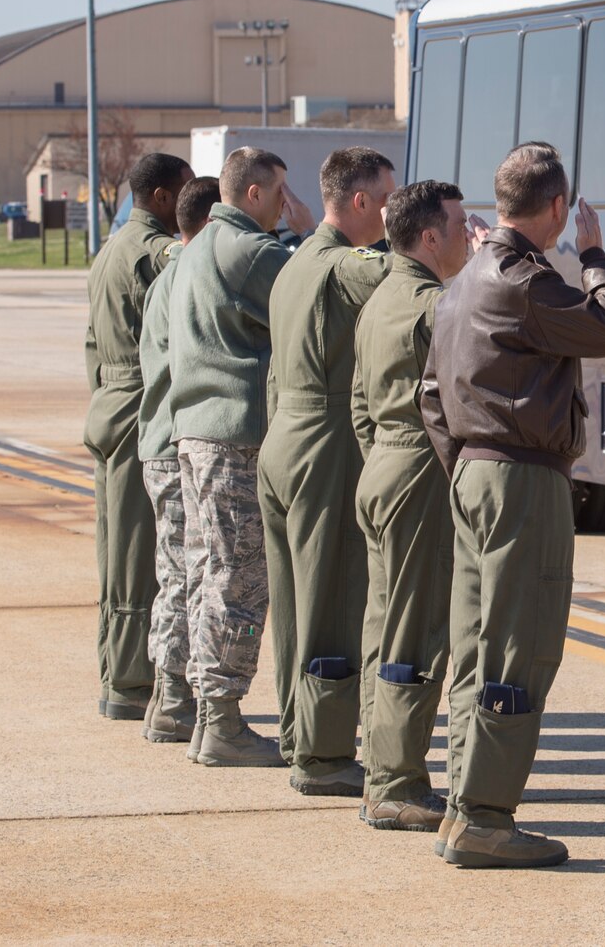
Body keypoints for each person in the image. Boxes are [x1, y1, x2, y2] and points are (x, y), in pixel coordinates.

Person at [420, 142, 605, 869]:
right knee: (521, 644)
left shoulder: (460, 281)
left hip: (475, 475)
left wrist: (465, 465)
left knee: (478, 642)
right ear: (555, 208)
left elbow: (429, 395)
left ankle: (462, 806)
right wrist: (597, 256)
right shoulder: (524, 279)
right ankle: (485, 815)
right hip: (522, 478)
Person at [166, 147, 316, 766]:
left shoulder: (199, 245)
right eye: (280, 191)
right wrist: (308, 233)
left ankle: (205, 713)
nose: (286, 202)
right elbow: (314, 295)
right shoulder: (250, 250)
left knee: (207, 571)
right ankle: (221, 720)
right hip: (236, 435)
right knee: (239, 578)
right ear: (252, 195)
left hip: (197, 430)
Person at [257, 146, 398, 797]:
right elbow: (404, 278)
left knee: (292, 604)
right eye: (389, 200)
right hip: (324, 443)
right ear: (362, 202)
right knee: (332, 600)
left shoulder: (294, 261)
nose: (394, 211)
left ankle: (298, 731)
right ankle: (323, 753)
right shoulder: (345, 266)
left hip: (282, 437)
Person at [354, 180, 481, 831]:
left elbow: (358, 402)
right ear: (428, 235)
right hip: (419, 476)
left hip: (382, 466)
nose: (469, 233)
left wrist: (385, 455)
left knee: (384, 625)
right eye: (461, 224)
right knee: (416, 633)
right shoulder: (434, 304)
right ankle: (396, 781)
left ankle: (378, 761)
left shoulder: (380, 298)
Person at [82, 151, 192, 719]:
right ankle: (128, 681)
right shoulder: (155, 253)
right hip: (134, 405)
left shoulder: (109, 249)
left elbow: (91, 345)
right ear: (162, 198)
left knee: (114, 546)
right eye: (185, 192)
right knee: (136, 549)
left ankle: (116, 669)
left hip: (107, 401)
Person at [133, 174, 218, 745]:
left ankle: (169, 695)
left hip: (163, 442)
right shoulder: (186, 274)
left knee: (177, 574)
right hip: (173, 444)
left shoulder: (171, 275)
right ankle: (170, 697)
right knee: (184, 575)